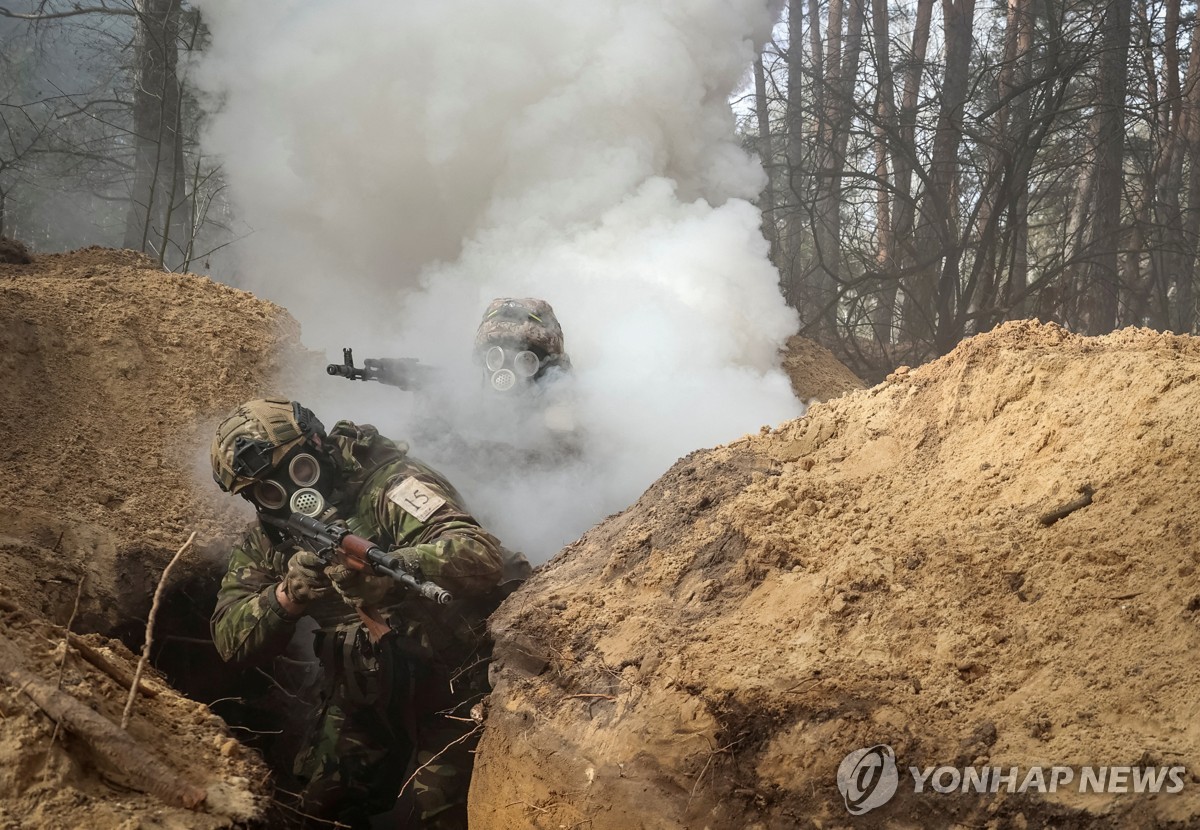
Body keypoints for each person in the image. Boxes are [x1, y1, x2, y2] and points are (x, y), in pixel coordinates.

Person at [208, 398, 528, 828]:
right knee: (319, 809)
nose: (296, 494)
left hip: (454, 680)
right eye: (270, 490)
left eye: (300, 470)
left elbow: (479, 553)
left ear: (318, 445)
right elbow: (230, 640)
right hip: (365, 693)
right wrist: (289, 594)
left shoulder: (392, 485)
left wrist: (398, 570)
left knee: (441, 810)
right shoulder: (268, 540)